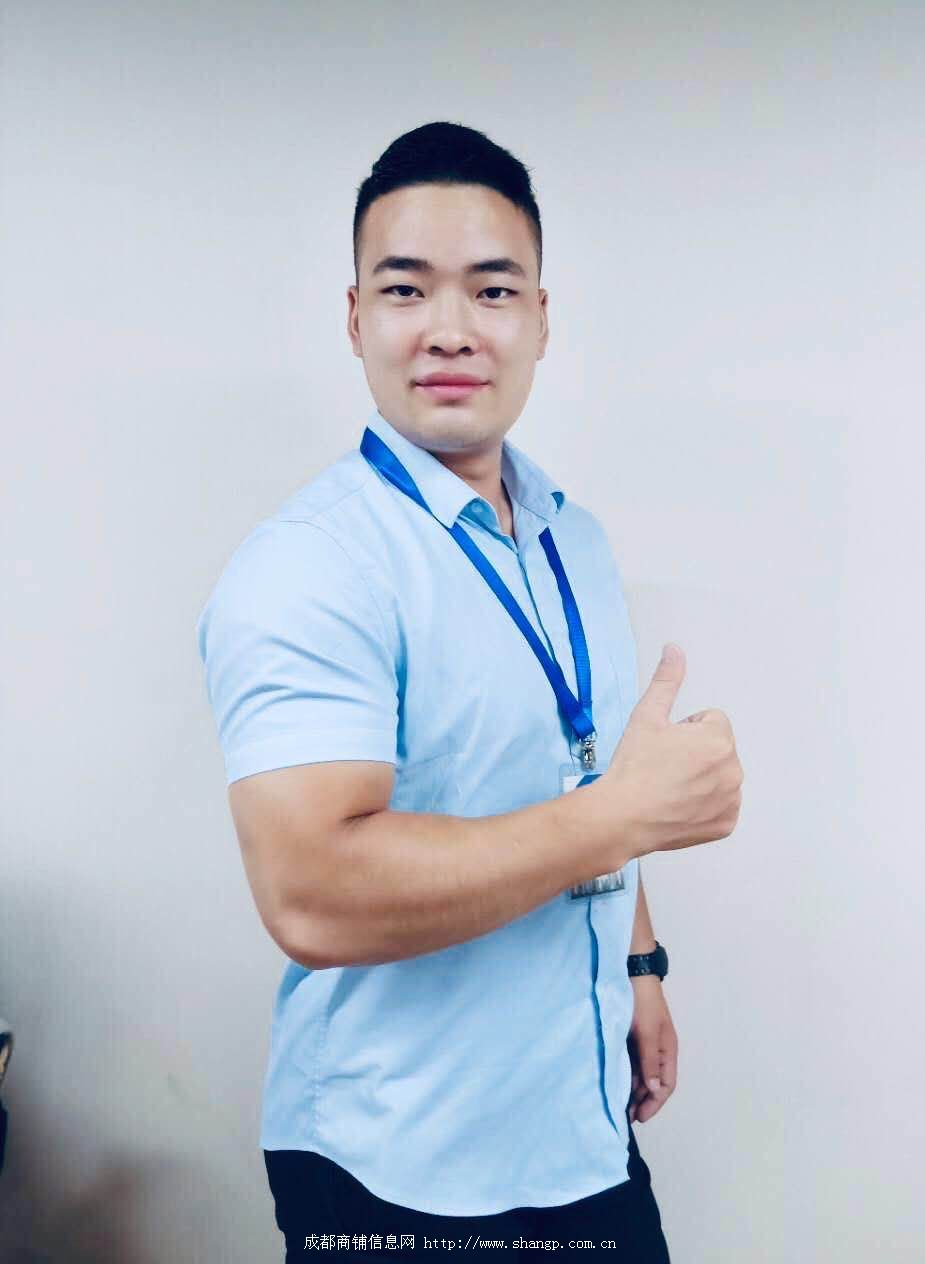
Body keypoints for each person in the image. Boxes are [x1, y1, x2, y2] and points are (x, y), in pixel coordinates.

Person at [195, 121, 743, 1261]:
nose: (450, 329)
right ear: (356, 319)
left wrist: (638, 966)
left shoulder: (570, 537)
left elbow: (590, 775)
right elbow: (312, 894)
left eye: (492, 290)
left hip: (580, 1131)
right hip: (396, 1166)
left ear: (541, 318)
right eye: (406, 289)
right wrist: (627, 816)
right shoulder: (312, 565)